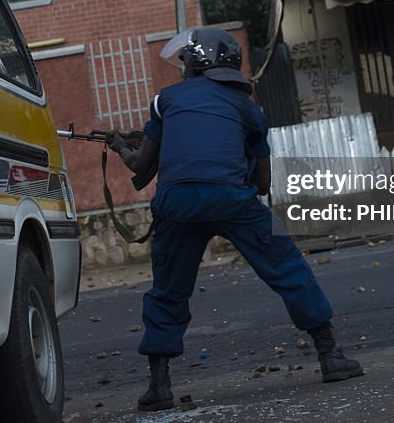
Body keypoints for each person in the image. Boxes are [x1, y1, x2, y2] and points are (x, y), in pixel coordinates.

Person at [108, 27, 363, 412]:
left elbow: (142, 166)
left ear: (194, 64)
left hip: (176, 204)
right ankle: (329, 355)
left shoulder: (166, 101)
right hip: (231, 199)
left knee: (168, 291)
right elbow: (262, 183)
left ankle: (159, 386)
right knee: (287, 267)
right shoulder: (248, 109)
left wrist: (120, 149)